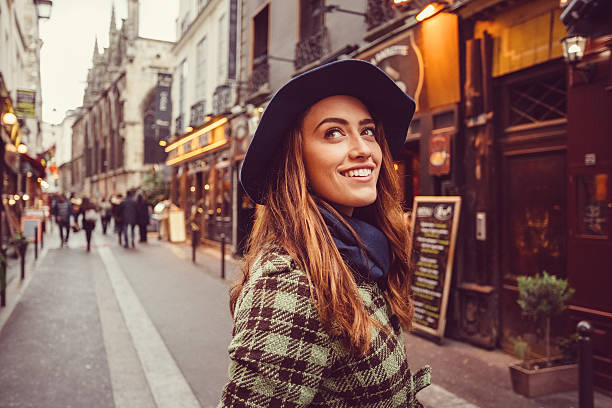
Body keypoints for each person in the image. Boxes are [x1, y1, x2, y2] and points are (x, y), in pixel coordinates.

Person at [219, 59, 430, 407]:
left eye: (368, 131)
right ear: (295, 160)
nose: (363, 148)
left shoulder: (360, 252)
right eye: (333, 132)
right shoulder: (289, 284)